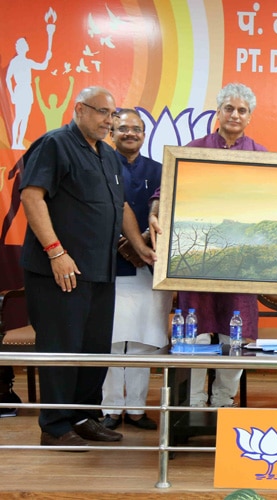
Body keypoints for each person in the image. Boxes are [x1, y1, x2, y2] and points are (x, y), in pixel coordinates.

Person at [19, 86, 156, 449]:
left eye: (112, 115)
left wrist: (141, 248)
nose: (108, 121)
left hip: (100, 270)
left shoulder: (108, 155)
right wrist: (55, 252)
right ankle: (54, 425)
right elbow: (32, 197)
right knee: (61, 348)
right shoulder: (54, 144)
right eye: (102, 113)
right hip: (59, 270)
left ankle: (84, 416)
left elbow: (122, 207)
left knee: (94, 349)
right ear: (79, 109)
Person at [150, 82, 265, 408]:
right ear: (218, 111)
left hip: (241, 263)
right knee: (195, 334)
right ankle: (195, 405)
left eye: (242, 110)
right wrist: (154, 215)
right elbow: (162, 194)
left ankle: (223, 404)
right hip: (195, 257)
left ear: (249, 116)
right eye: (229, 108)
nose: (235, 114)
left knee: (237, 336)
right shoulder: (193, 150)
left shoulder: (261, 156)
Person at [100, 109, 173, 431]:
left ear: (145, 135)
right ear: (111, 133)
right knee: (112, 341)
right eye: (123, 128)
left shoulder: (162, 171)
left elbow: (170, 212)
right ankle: (111, 410)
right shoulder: (98, 167)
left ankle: (137, 409)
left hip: (150, 267)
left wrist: (141, 244)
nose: (130, 133)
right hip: (108, 266)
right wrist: (123, 244)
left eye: (137, 129)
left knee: (145, 341)